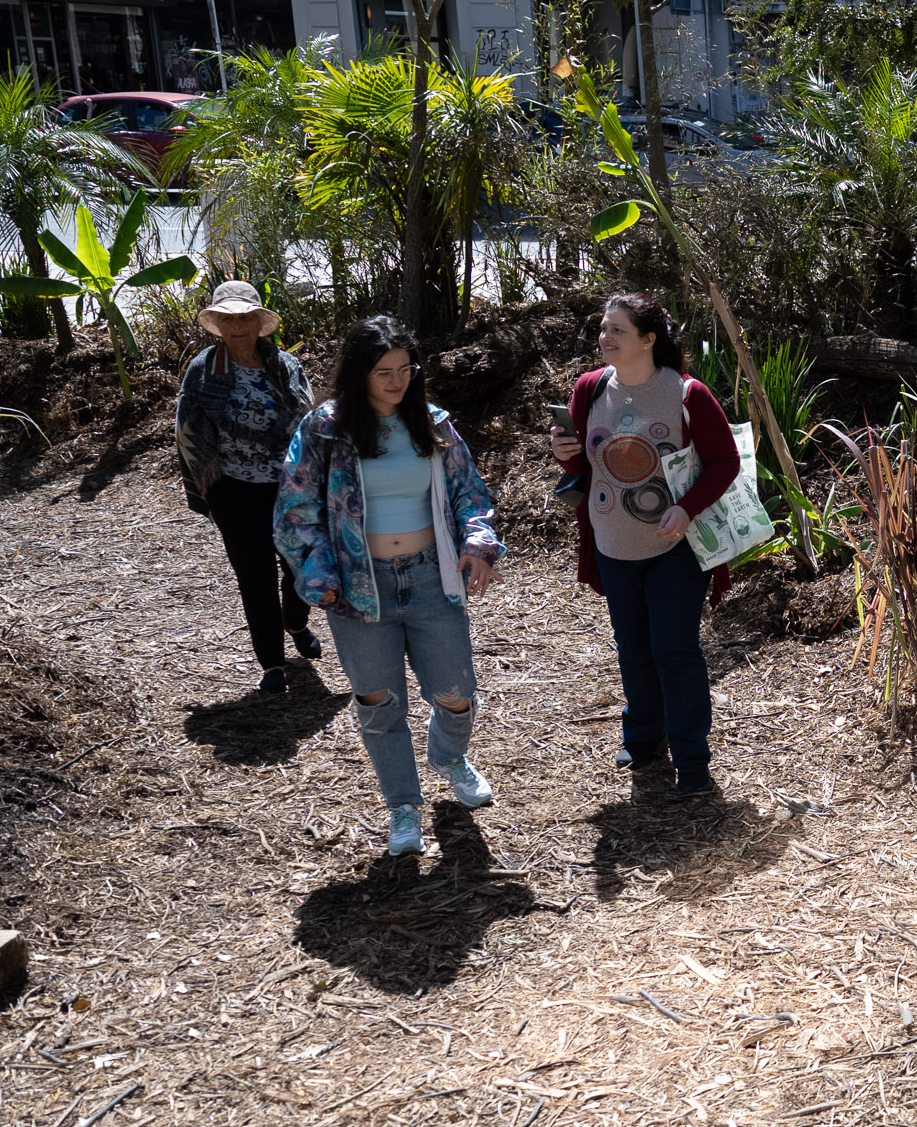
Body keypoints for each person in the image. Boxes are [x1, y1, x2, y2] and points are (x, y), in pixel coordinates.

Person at [276, 317, 505, 858]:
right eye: (384, 372)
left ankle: (449, 758)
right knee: (379, 701)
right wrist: (318, 574)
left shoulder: (433, 425)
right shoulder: (324, 430)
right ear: (359, 373)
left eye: (406, 370)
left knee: (456, 691)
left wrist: (478, 544)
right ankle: (403, 807)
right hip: (356, 588)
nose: (397, 381)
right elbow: (294, 512)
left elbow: (470, 495)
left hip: (431, 577)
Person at [547, 294, 742, 796]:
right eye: (603, 328)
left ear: (648, 340)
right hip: (612, 542)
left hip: (674, 547)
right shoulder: (590, 389)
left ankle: (692, 758)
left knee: (674, 650)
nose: (605, 337)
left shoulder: (686, 394)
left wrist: (687, 507)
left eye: (618, 330)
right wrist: (565, 454)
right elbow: (582, 468)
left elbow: (725, 463)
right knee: (633, 650)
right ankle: (642, 738)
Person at [173, 281, 317, 694]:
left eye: (245, 318)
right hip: (232, 487)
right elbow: (187, 426)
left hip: (288, 485)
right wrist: (205, 480)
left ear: (259, 322)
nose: (238, 327)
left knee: (298, 564)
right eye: (228, 319)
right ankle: (272, 664)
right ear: (218, 324)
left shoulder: (285, 365)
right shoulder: (203, 368)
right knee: (254, 575)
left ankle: (296, 621)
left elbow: (307, 419)